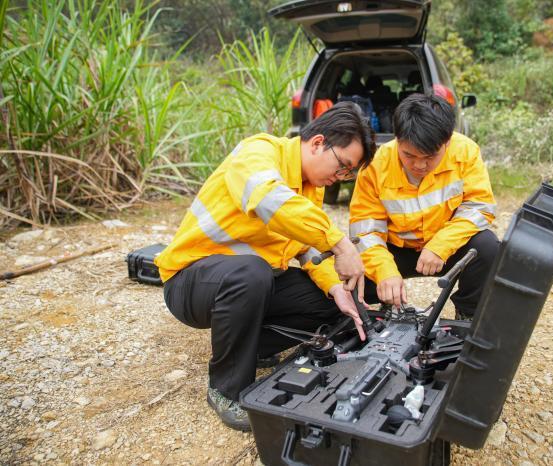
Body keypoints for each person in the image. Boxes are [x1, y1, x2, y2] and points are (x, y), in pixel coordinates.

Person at [155, 102, 375, 431]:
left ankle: (249, 349)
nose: (340, 178)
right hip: (190, 281)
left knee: (340, 298)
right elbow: (271, 201)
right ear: (318, 143)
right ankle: (225, 389)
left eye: (348, 173)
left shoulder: (310, 188)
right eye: (342, 166)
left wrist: (334, 288)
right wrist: (340, 243)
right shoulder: (257, 152)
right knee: (252, 273)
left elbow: (305, 249)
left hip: (250, 282)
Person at [349, 94, 499, 318]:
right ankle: (385, 304)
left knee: (487, 247)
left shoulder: (465, 151)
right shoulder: (375, 165)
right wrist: (384, 272)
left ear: (447, 142)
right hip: (396, 249)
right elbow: (365, 231)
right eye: (408, 155)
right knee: (347, 268)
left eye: (430, 156)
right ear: (397, 139)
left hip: (445, 247)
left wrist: (440, 245)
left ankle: (468, 316)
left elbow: (480, 207)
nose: (419, 165)